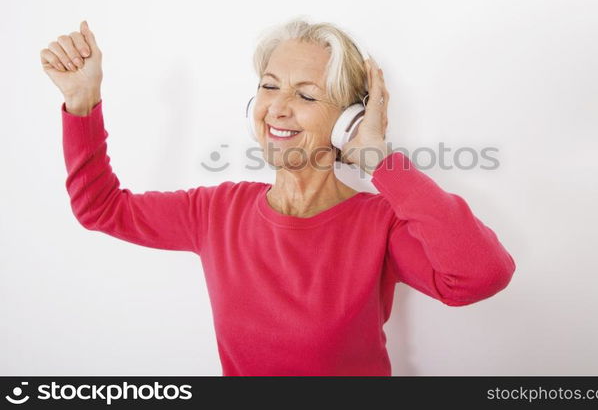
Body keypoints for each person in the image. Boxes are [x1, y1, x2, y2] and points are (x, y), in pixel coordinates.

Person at [40, 18, 517, 376]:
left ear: (348, 118)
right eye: (269, 86)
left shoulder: (381, 224)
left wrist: (379, 161)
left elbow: (480, 277)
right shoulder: (215, 211)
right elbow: (100, 208)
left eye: (307, 95)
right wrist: (82, 105)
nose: (278, 107)